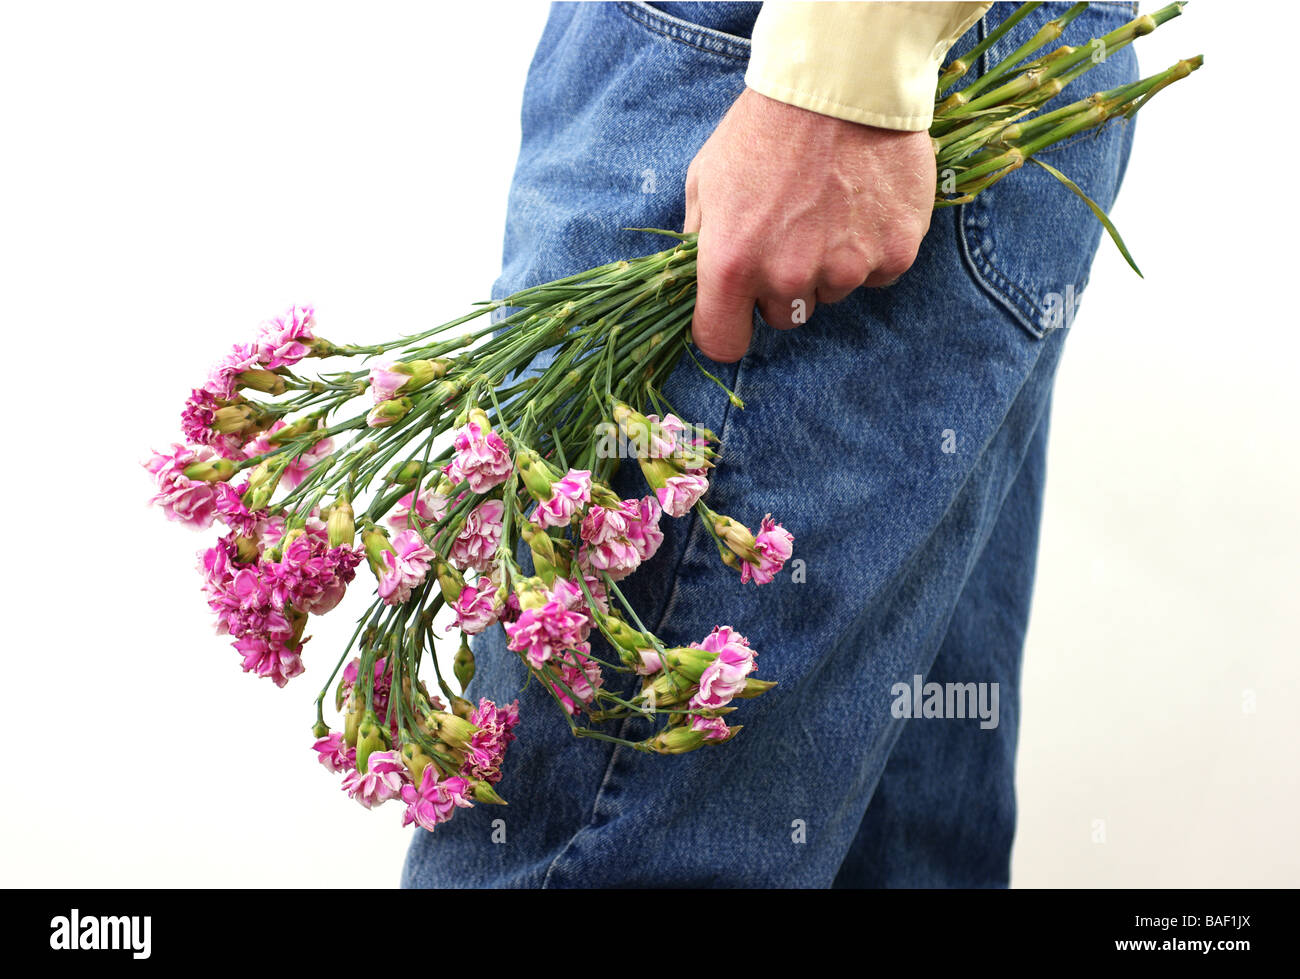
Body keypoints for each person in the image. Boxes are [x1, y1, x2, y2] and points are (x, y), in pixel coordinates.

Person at [403, 0, 1139, 888]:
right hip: (900, 62)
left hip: (792, 80)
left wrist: (840, 70)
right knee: (896, 850)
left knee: (584, 854)